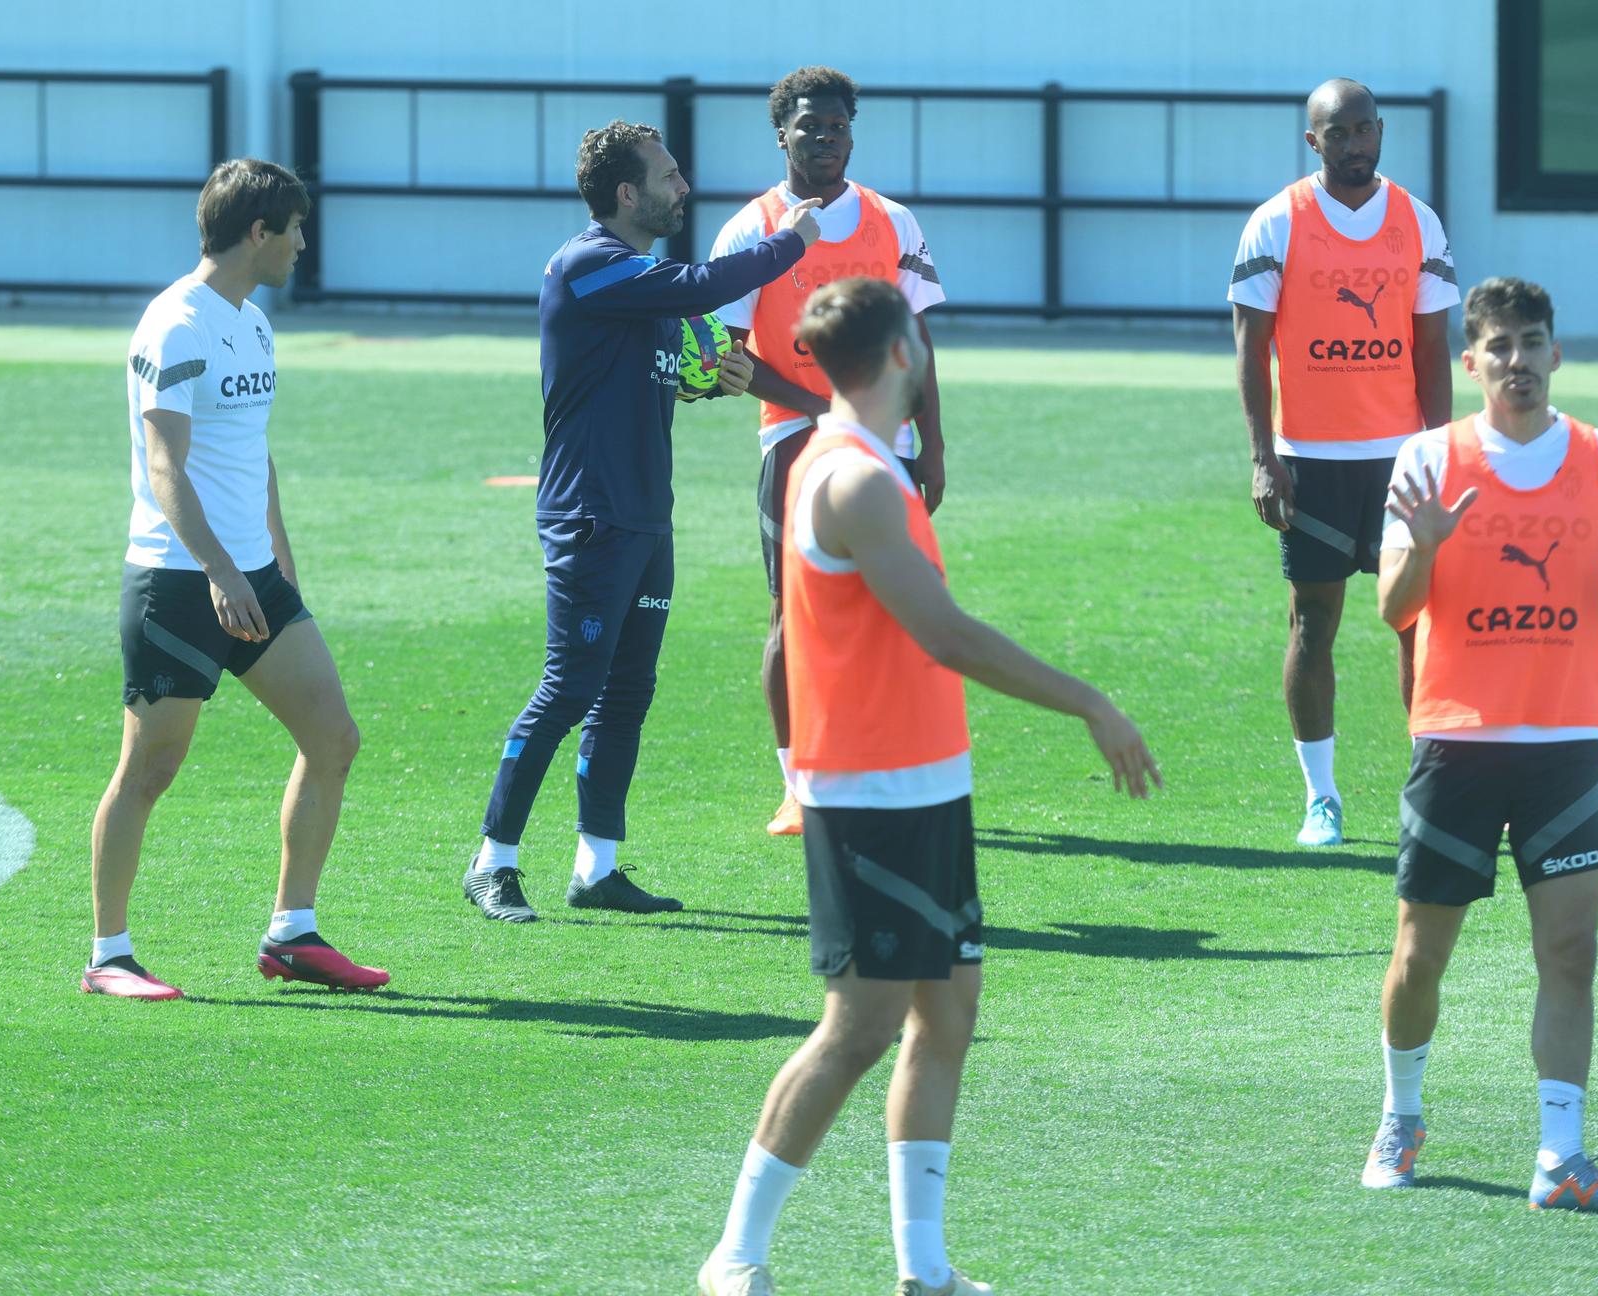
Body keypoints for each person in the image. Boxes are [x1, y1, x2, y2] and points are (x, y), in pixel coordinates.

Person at [697, 277, 1160, 1296]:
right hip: (863, 794)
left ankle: (923, 1270)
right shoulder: (853, 478)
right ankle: (734, 1254)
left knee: (944, 1016)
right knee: (857, 1026)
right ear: (903, 353)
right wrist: (1088, 701)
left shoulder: (866, 464)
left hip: (924, 784)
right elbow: (941, 633)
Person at [461, 120, 821, 923]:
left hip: (645, 519)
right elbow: (701, 289)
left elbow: (670, 355)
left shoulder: (642, 287)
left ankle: (597, 868)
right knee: (568, 689)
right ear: (627, 193)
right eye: (668, 176)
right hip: (589, 515)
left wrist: (708, 379)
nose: (682, 188)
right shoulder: (588, 264)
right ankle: (493, 860)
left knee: (626, 694)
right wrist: (788, 241)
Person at [1362, 278, 1598, 1211]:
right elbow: (1392, 609)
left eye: (1532, 342)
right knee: (1419, 955)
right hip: (1458, 742)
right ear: (1471, 361)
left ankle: (1559, 1153)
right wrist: (1430, 545)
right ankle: (1403, 1114)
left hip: (1566, 743)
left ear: (1557, 353)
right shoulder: (1429, 456)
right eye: (1498, 346)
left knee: (1570, 953)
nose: (1516, 360)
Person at [84, 159, 386, 1000]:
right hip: (180, 583)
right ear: (259, 232)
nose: (301, 242)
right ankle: (108, 954)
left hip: (253, 579)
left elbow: (255, 456)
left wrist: (278, 566)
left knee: (334, 738)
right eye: (293, 227)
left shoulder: (251, 323)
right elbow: (165, 465)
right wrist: (219, 568)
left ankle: (293, 934)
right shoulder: (174, 323)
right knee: (150, 771)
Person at [707, 65, 947, 838]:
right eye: (810, 126)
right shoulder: (753, 229)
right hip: (794, 442)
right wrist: (824, 407)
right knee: (791, 613)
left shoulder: (892, 221)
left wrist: (933, 442)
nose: (826, 139)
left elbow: (919, 340)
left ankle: (883, 764)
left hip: (890, 447)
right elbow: (724, 354)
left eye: (838, 126)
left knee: (896, 611)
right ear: (782, 133)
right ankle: (797, 784)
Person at [1229, 77, 1458, 847]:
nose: (1357, 144)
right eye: (1341, 132)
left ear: (1381, 132)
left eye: (1367, 130)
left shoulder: (1418, 222)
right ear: (1313, 140)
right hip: (1312, 459)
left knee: (1420, 624)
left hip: (1400, 461)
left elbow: (1432, 349)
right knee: (1312, 625)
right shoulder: (1275, 223)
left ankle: (1434, 790)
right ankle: (1321, 800)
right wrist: (1264, 456)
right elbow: (1250, 347)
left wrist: (1445, 451)